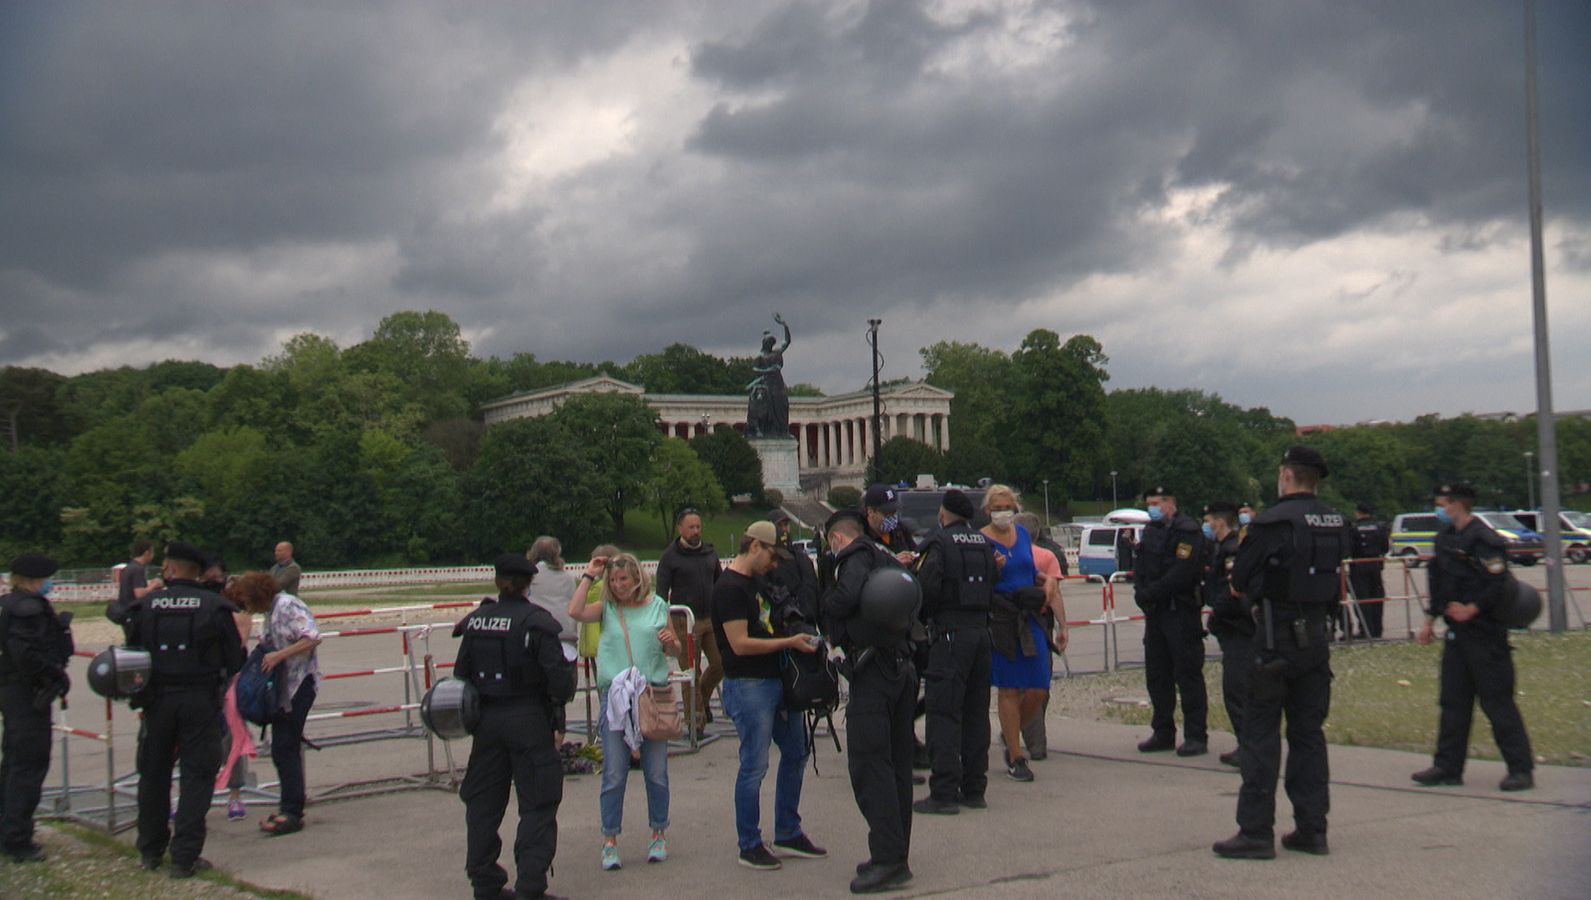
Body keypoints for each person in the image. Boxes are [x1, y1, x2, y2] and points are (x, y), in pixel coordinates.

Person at [1214, 447, 1349, 860]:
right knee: (1309, 735)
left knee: (1260, 737)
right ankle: (1313, 828)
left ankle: (1255, 832)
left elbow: (1238, 579)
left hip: (1274, 639)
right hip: (1316, 640)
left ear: (1287, 475)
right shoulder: (1334, 520)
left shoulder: (1271, 522)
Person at [454, 554, 576, 900]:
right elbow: (561, 684)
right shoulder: (537, 622)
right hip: (529, 720)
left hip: (486, 723)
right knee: (538, 803)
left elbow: (461, 676)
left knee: (483, 804)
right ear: (528, 584)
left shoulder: (476, 621)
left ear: (498, 582)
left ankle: (485, 882)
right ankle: (530, 887)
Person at [123, 541, 246, 878]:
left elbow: (131, 656)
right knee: (197, 778)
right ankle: (184, 857)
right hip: (199, 701)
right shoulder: (215, 607)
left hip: (156, 701)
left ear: (171, 569)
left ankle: (150, 850)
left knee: (153, 775)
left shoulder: (145, 606)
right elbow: (235, 659)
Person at [711, 522, 826, 872]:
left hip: (778, 680)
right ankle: (749, 842)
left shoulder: (761, 583)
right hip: (749, 684)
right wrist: (789, 643)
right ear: (755, 546)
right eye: (772, 557)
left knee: (796, 751)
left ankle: (788, 829)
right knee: (754, 765)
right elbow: (740, 644)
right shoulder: (729, 588)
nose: (774, 565)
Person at [1411, 483, 1535, 793]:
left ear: (1456, 504)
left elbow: (1498, 583)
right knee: (1453, 701)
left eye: (1442, 503)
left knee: (1497, 702)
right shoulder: (1444, 539)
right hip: (1456, 634)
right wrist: (1429, 621)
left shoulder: (1485, 539)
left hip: (1486, 633)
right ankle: (1447, 767)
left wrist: (1472, 609)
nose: (1439, 509)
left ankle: (1520, 769)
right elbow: (1439, 584)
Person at [822, 514, 917, 894]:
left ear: (837, 537)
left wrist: (824, 599)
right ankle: (894, 852)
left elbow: (844, 599)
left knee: (869, 766)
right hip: (900, 664)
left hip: (874, 671)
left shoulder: (854, 555)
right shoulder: (885, 552)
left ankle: (889, 860)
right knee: (896, 767)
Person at [566, 553, 678, 870]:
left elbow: (676, 651)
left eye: (623, 580)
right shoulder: (608, 609)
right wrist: (589, 575)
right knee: (614, 773)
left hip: (651, 695)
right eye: (613, 581)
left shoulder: (658, 605)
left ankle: (658, 832)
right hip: (615, 697)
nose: (617, 586)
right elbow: (575, 611)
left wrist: (672, 642)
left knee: (656, 773)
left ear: (637, 578)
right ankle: (610, 839)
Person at [911, 491, 996, 816]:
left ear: (943, 514)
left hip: (949, 636)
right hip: (981, 635)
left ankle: (944, 791)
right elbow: (994, 581)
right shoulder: (982, 543)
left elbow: (926, 589)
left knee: (943, 714)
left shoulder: (939, 544)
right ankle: (975, 787)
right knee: (976, 714)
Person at [0, 554, 73, 863]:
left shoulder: (7, 603)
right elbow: (26, 652)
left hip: (12, 689)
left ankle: (8, 828)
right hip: (28, 691)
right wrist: (53, 676)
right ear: (34, 580)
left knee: (14, 761)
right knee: (28, 764)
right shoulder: (27, 609)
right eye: (47, 579)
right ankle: (17, 837)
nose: (50, 585)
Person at [1131, 486, 1208, 757]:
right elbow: (1140, 566)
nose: (1152, 507)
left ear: (1171, 503)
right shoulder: (1150, 532)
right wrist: (1140, 592)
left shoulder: (1187, 531)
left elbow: (1182, 572)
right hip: (1156, 613)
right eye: (1149, 502)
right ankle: (1163, 731)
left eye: (1156, 502)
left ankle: (1196, 735)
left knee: (1187, 674)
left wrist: (1152, 592)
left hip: (1181, 611)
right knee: (1157, 674)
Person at [982, 486, 1050, 782]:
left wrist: (1046, 582)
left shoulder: (1021, 535)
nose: (1002, 512)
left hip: (1029, 612)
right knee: (1008, 688)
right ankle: (1015, 755)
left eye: (1007, 506)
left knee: (1038, 686)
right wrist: (992, 570)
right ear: (987, 510)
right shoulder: (982, 538)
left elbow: (1029, 568)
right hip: (1002, 615)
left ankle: (1010, 732)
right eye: (996, 507)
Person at [254, 572, 321, 836]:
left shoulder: (287, 605)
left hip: (300, 683)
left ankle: (292, 811)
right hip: (284, 687)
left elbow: (313, 636)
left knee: (284, 746)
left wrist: (279, 655)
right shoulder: (271, 611)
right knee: (282, 747)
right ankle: (289, 806)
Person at [655, 509, 722, 734]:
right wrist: (667, 626)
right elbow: (661, 595)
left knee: (721, 663)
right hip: (684, 621)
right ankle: (695, 722)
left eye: (698, 526)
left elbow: (720, 583)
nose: (695, 531)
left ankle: (701, 698)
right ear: (680, 529)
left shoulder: (710, 553)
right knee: (690, 673)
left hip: (710, 619)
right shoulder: (670, 557)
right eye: (691, 527)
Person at [1014, 511, 1069, 762]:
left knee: (1015, 686)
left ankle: (1018, 730)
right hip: (1038, 623)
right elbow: (1054, 594)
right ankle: (1035, 742)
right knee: (1039, 682)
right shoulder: (1047, 556)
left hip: (1008, 622)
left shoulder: (1007, 555)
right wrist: (1063, 626)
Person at [1202, 502, 1250, 768]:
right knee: (1236, 689)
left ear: (1219, 522)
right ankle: (1246, 745)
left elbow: (1234, 591)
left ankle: (1248, 747)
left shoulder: (1232, 549)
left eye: (1209, 520)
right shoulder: (1222, 547)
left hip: (1238, 628)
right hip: (1232, 627)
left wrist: (1216, 614)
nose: (1207, 525)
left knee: (1237, 690)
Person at [764, 509, 819, 625]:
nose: (784, 529)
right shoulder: (767, 563)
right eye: (779, 525)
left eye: (786, 525)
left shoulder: (802, 558)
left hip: (810, 623)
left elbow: (814, 590)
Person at [1347, 503, 1390, 639]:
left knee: (1362, 599)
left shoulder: (1354, 529)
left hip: (1358, 566)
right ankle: (1377, 630)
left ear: (1358, 512)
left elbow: (1350, 549)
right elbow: (1385, 548)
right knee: (1377, 598)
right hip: (1376, 565)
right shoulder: (1380, 527)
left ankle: (1366, 630)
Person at [527, 536, 579, 641]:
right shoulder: (567, 578)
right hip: (564, 634)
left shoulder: (527, 577)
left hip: (534, 635)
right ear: (557, 553)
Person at [109, 540, 162, 624]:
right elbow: (139, 594)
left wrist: (149, 585)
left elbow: (132, 588)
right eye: (152, 552)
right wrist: (154, 585)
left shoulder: (129, 567)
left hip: (125, 612)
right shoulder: (138, 569)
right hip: (134, 614)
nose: (153, 555)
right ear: (147, 553)